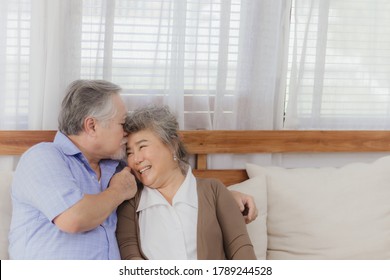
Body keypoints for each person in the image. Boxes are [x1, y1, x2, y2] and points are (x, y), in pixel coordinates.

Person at [8, 79, 257, 260]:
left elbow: (167, 174)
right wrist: (117, 192)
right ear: (92, 125)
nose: (126, 134)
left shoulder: (115, 167)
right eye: (121, 124)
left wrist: (222, 196)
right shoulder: (44, 158)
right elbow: (74, 219)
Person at [116, 105, 257, 260]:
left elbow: (242, 252)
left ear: (172, 144)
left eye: (142, 146)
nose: (136, 159)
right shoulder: (129, 204)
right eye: (129, 153)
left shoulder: (214, 191)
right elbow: (131, 260)